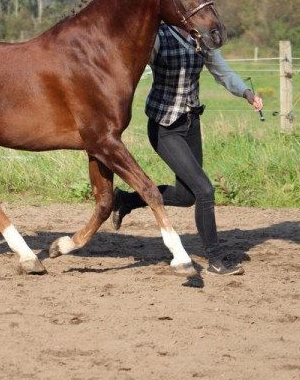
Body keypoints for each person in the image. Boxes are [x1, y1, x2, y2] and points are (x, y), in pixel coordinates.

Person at [112, 23, 263, 276]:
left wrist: (247, 93)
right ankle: (215, 259)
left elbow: (222, 71)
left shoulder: (200, 38)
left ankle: (125, 200)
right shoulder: (158, 36)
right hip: (164, 127)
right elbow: (132, 59)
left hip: (190, 122)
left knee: (187, 196)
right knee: (205, 189)